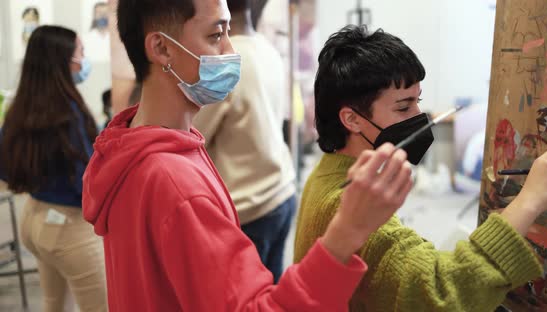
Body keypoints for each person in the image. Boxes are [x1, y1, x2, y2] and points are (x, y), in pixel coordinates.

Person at [82, 0, 414, 310]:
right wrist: (348, 230)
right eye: (215, 36)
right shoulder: (175, 184)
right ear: (161, 48)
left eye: (228, 32)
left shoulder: (140, 144)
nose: (230, 50)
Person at [293, 25, 547, 311]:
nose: (420, 117)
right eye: (404, 108)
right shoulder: (351, 209)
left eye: (418, 101)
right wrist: (530, 201)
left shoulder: (329, 170)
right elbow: (442, 294)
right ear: (352, 120)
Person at [0, 25, 107, 312]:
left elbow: (5, 170)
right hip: (70, 229)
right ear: (63, 61)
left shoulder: (19, 110)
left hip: (33, 220)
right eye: (81, 53)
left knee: (54, 304)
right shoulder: (69, 114)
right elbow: (87, 182)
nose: (84, 60)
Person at [192, 0, 295, 283]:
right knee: (271, 291)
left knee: (245, 297)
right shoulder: (266, 49)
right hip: (281, 190)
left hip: (249, 206)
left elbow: (192, 134)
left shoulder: (225, 63)